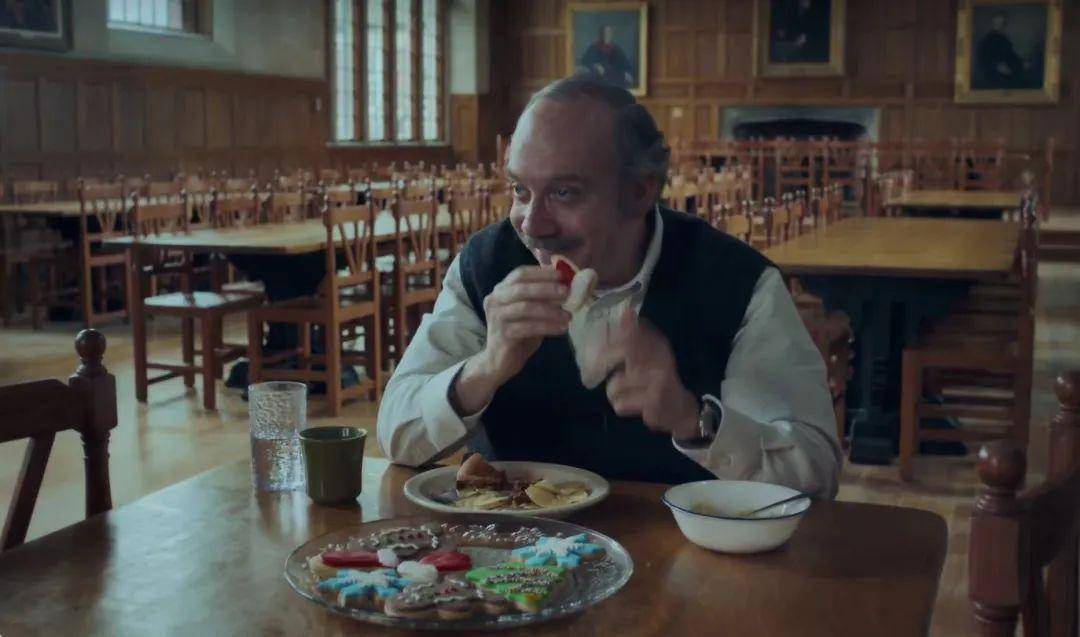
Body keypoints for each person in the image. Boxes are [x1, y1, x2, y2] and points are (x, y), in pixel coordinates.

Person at [376, 74, 842, 498]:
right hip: (509, 551)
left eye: (565, 193)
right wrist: (485, 368)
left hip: (686, 549)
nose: (532, 225)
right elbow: (396, 435)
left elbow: (816, 476)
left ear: (640, 191)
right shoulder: (486, 264)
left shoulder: (738, 282)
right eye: (520, 190)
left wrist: (692, 419)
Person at [975, 11, 1035, 90]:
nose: (1000, 24)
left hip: (1008, 69)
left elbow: (1010, 55)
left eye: (1002, 22)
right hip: (993, 74)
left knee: (1027, 82)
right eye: (998, 22)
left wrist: (1021, 62)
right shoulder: (986, 40)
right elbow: (983, 59)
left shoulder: (1004, 39)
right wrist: (996, 66)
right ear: (993, 23)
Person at [577, 25, 635, 90]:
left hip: (615, 76)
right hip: (598, 78)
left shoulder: (616, 49)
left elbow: (625, 64)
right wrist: (595, 66)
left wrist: (627, 73)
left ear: (611, 35)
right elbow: (585, 61)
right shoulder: (593, 48)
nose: (606, 35)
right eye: (604, 33)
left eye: (608, 33)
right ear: (600, 35)